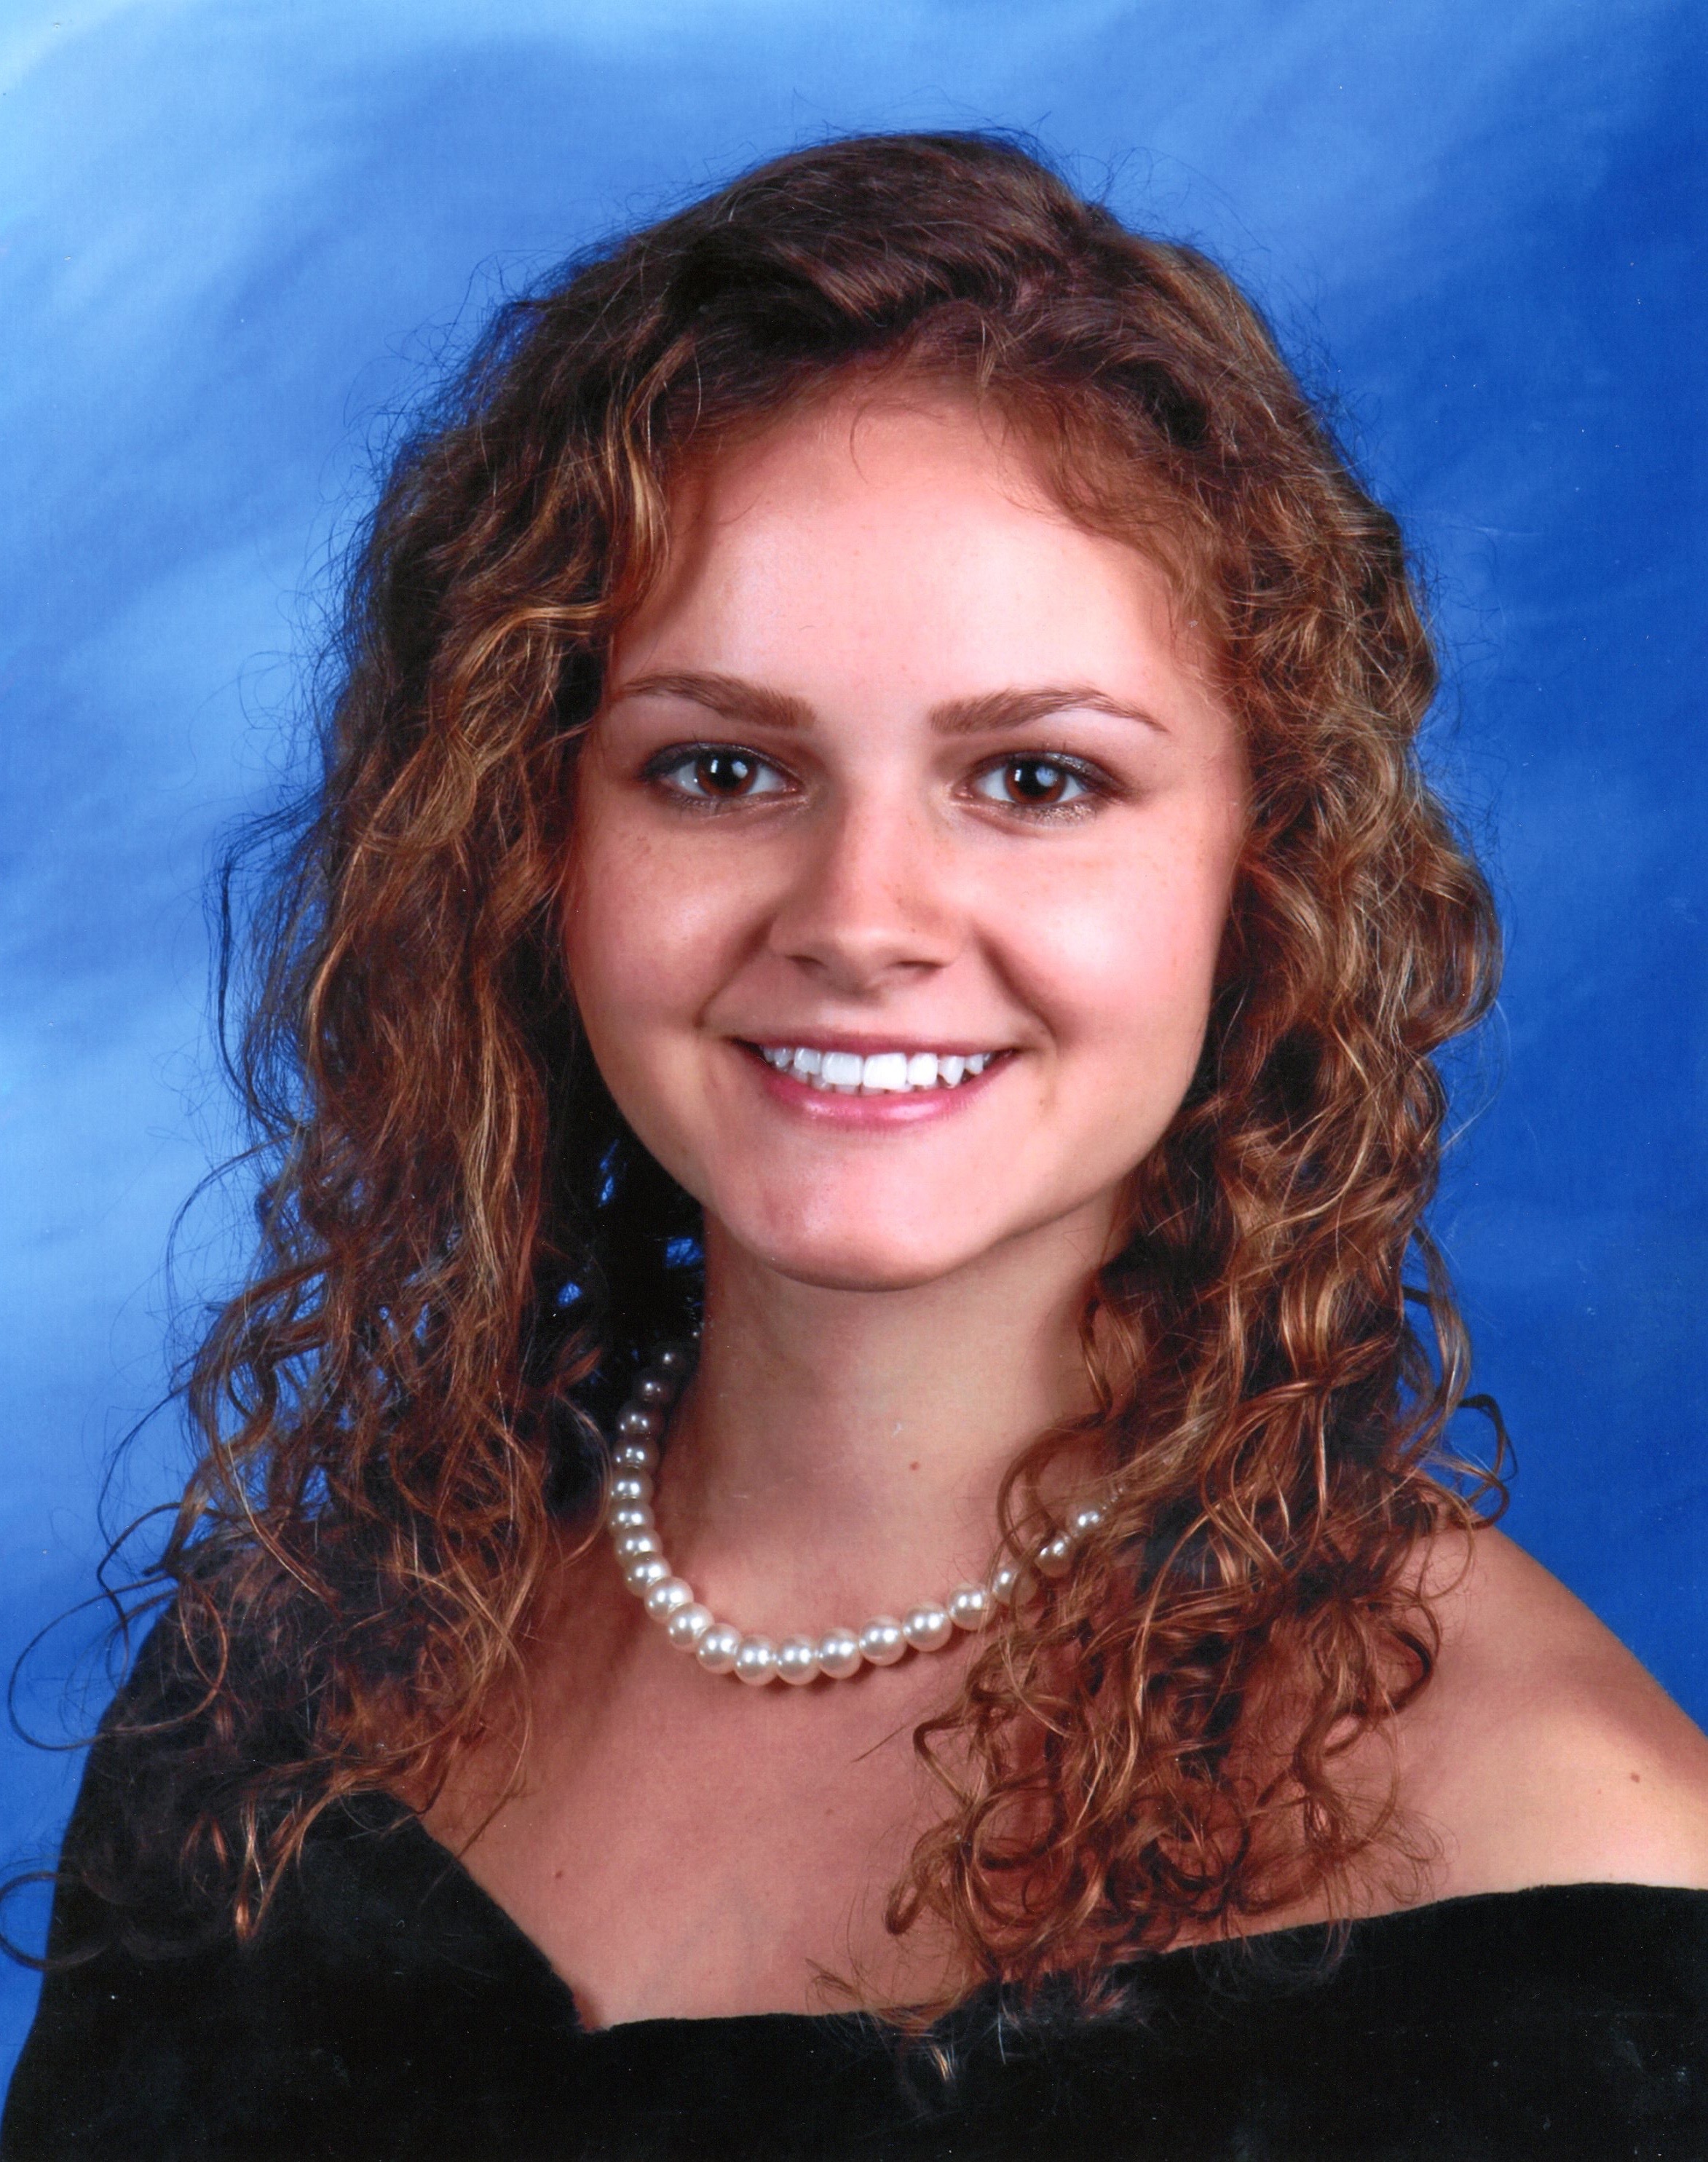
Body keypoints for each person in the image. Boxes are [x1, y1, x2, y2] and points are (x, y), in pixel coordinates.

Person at [5, 131, 1707, 2161]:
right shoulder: (299, 1666)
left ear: (1263, 873)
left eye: (1035, 779)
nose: (860, 917)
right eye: (721, 767)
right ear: (534, 841)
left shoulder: (1567, 1870)